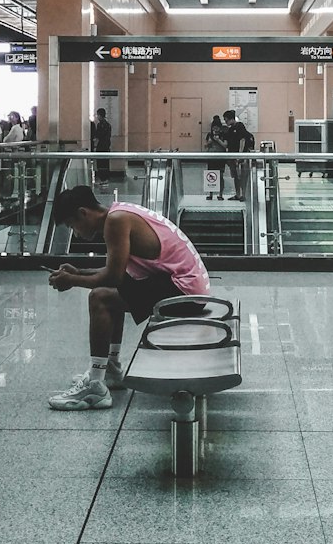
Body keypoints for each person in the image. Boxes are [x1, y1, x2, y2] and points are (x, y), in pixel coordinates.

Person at [47, 185, 210, 409]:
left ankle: (95, 385)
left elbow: (113, 277)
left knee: (100, 298)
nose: (75, 232)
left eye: (72, 225)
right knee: (114, 293)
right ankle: (110, 368)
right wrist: (78, 272)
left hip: (184, 293)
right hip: (188, 286)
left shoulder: (116, 222)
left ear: (83, 213)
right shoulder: (119, 213)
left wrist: (72, 281)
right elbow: (118, 273)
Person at [222, 108, 255, 200]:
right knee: (236, 176)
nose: (226, 122)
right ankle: (238, 194)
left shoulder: (239, 126)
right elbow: (227, 144)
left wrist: (240, 155)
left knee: (242, 176)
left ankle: (243, 194)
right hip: (233, 156)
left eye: (226, 120)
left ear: (231, 119)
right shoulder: (229, 130)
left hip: (241, 156)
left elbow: (242, 140)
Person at [205, 114, 228, 199]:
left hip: (221, 158)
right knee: (210, 176)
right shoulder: (209, 135)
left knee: (221, 176)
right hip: (211, 158)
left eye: (217, 128)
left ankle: (220, 194)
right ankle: (210, 194)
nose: (215, 130)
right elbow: (205, 146)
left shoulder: (224, 134)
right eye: (213, 128)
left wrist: (218, 140)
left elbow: (225, 145)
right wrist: (209, 143)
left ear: (220, 128)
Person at [90, 106, 112, 181]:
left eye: (97, 115)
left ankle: (103, 178)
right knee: (105, 163)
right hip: (106, 146)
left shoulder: (101, 125)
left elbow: (98, 135)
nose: (97, 117)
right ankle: (105, 179)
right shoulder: (108, 125)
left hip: (102, 147)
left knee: (101, 164)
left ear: (100, 115)